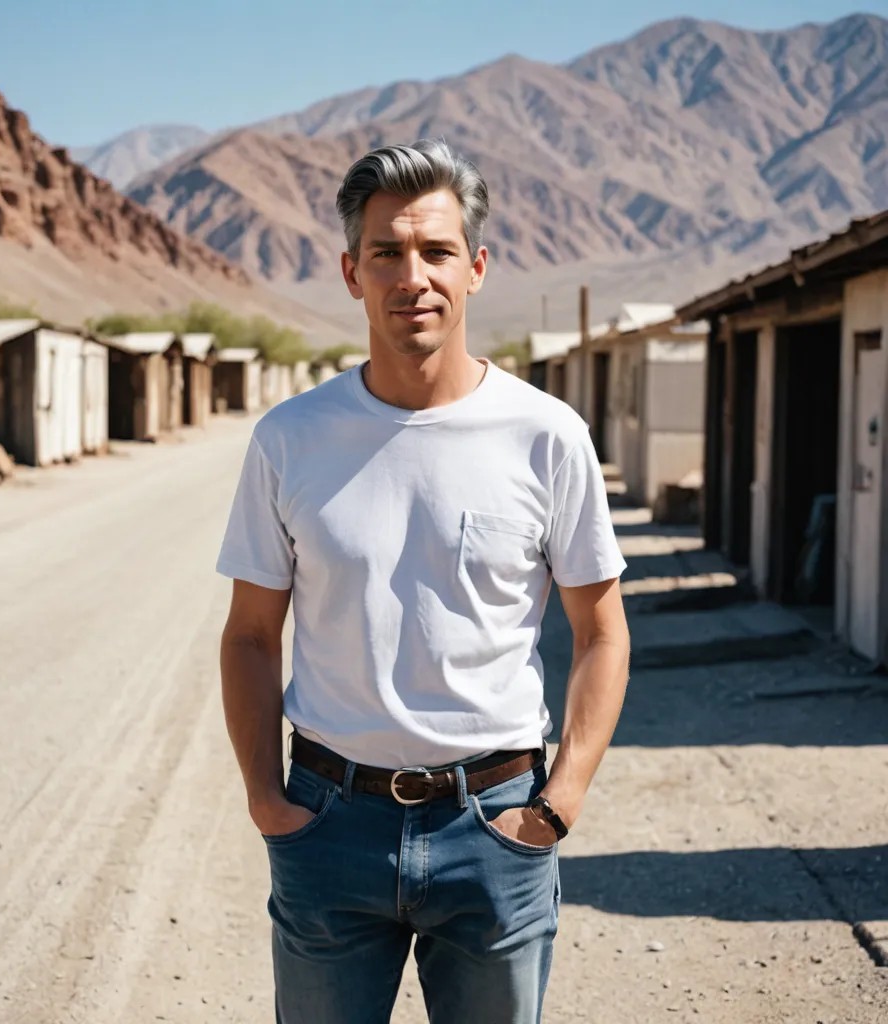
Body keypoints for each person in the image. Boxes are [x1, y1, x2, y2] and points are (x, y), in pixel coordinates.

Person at [217, 139, 630, 1024]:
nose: (414, 276)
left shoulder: (547, 435)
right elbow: (250, 634)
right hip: (329, 826)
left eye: (437, 251)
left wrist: (559, 804)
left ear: (476, 268)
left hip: (497, 829)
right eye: (387, 253)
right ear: (351, 272)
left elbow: (602, 633)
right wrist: (266, 799)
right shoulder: (291, 439)